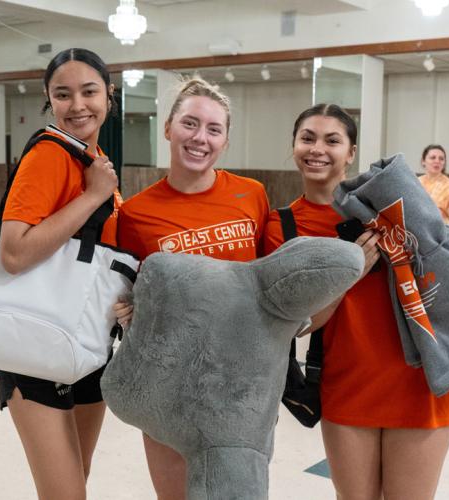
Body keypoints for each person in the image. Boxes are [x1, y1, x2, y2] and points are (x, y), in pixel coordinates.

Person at [263, 104, 449, 500]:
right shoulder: (282, 226)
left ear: (351, 152)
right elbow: (295, 323)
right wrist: (347, 272)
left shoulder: (389, 204)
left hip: (421, 383)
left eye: (332, 140)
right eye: (308, 138)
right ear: (294, 146)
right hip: (347, 386)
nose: (318, 149)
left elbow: (444, 260)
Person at [115, 78, 270, 499]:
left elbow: (268, 280)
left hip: (241, 386)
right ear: (168, 129)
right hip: (169, 387)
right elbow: (127, 295)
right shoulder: (135, 214)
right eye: (190, 123)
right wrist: (128, 312)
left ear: (225, 140)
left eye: (213, 129)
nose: (200, 138)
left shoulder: (251, 195)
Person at [0, 48, 120, 500]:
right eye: (62, 95)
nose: (78, 105)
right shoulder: (49, 155)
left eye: (89, 91)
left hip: (86, 339)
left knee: (76, 480)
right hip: (33, 345)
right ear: (49, 101)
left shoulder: (92, 158)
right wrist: (92, 197)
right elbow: (13, 253)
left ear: (109, 94)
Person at [419, 144, 449, 231]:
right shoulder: (415, 183)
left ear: (444, 163)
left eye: (441, 159)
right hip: (414, 237)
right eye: (433, 157)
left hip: (440, 238)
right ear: (423, 161)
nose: (437, 161)